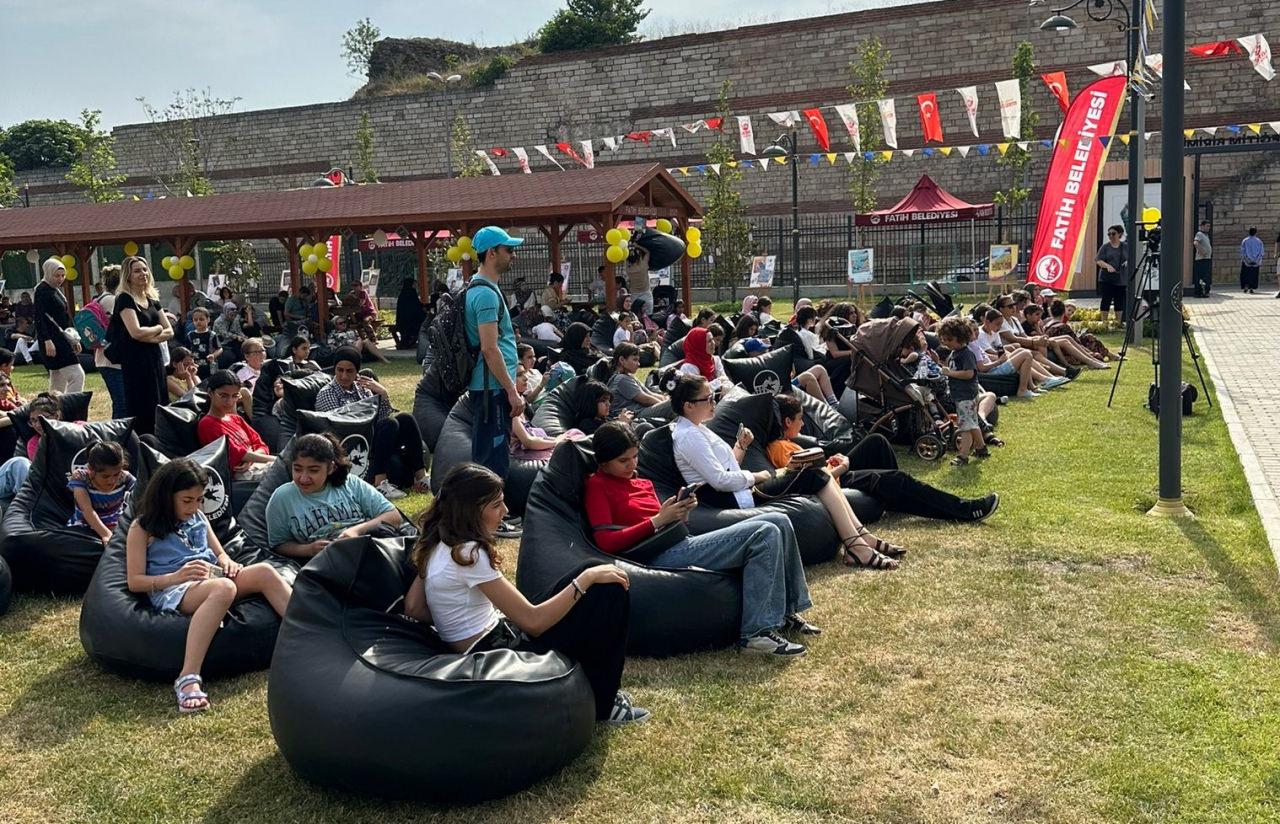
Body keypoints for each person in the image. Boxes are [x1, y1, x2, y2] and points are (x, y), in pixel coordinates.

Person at [404, 463, 647, 724]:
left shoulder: (436, 544)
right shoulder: (469, 554)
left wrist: (454, 619)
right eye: (496, 505)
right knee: (607, 589)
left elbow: (413, 608)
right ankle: (604, 703)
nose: (505, 511)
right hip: (498, 650)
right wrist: (584, 582)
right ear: (471, 511)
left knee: (591, 568)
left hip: (493, 637)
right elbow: (534, 622)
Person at [589, 423, 820, 659]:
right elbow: (605, 541)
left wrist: (681, 512)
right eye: (623, 461)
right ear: (603, 461)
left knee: (780, 519)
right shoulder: (597, 486)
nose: (632, 465)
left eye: (635, 457)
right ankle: (756, 634)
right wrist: (658, 520)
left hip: (679, 541)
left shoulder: (642, 483)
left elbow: (666, 525)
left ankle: (787, 611)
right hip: (653, 556)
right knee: (764, 533)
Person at [670, 374, 900, 569]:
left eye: (713, 396)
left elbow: (726, 468)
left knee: (813, 469)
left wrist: (741, 446)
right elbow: (720, 480)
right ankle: (856, 545)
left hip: (740, 490)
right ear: (689, 405)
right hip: (734, 498)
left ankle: (861, 537)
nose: (713, 402)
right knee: (814, 474)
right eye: (708, 398)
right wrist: (757, 476)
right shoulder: (688, 436)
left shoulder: (697, 429)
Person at [127, 458, 293, 712]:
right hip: (175, 588)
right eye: (187, 500)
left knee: (265, 572)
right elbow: (135, 581)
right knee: (225, 588)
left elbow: (220, 553)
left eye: (199, 499)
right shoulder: (142, 528)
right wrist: (176, 577)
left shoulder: (198, 517)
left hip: (211, 578)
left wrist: (228, 563)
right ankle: (188, 677)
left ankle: (309, 634)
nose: (194, 506)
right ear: (166, 496)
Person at [767, 397, 999, 522]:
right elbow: (807, 480)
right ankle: (966, 510)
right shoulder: (779, 447)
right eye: (800, 419)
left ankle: (896, 496)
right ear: (787, 422)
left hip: (834, 473)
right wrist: (841, 467)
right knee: (897, 479)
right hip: (833, 483)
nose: (803, 423)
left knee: (876, 441)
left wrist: (833, 460)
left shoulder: (788, 442)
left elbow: (812, 469)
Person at [464, 227, 524, 528]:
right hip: (491, 388)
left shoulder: (482, 288)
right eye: (508, 250)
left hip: (489, 386)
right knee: (493, 459)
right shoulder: (485, 294)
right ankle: (490, 520)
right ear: (491, 253)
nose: (512, 255)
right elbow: (489, 349)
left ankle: (486, 516)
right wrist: (511, 390)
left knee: (490, 454)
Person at [265, 432, 404, 559]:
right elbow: (279, 544)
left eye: (313, 470)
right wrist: (308, 550)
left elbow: (393, 516)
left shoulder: (350, 483)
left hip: (368, 548)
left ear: (331, 468)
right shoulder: (282, 499)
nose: (304, 478)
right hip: (327, 562)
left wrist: (357, 531)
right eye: (297, 469)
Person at [315, 347, 429, 499]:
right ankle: (380, 482)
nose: (344, 376)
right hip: (352, 441)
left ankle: (421, 476)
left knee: (405, 419)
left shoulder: (362, 389)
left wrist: (382, 394)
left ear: (357, 372)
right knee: (389, 424)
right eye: (340, 370)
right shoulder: (327, 393)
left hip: (370, 436)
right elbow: (340, 427)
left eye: (349, 371)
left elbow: (382, 417)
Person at [113, 255, 172, 436]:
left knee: (160, 401)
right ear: (128, 276)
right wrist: (157, 329)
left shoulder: (152, 299)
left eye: (145, 270)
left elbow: (170, 330)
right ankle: (143, 442)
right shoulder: (125, 299)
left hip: (155, 358)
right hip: (136, 361)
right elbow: (135, 332)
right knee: (143, 405)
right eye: (137, 271)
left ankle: (160, 439)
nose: (143, 274)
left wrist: (151, 337)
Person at [198, 371, 275, 481]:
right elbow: (236, 454)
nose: (229, 402)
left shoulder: (236, 419)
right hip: (241, 474)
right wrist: (274, 459)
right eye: (223, 396)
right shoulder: (207, 424)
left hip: (258, 464)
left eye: (234, 396)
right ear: (210, 393)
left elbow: (260, 444)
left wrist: (250, 459)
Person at [67, 441, 135, 545]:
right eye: (105, 476)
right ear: (91, 470)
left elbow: (142, 495)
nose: (112, 481)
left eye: (116, 474)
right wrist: (106, 534)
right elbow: (87, 510)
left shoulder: (124, 477)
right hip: (84, 528)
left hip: (116, 525)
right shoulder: (81, 479)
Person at [937, 317, 983, 466]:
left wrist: (949, 373)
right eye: (944, 339)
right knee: (972, 423)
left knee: (965, 427)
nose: (946, 343)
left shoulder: (966, 354)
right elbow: (951, 368)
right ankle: (981, 448)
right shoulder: (954, 352)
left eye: (949, 339)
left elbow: (969, 373)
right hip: (960, 395)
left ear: (961, 337)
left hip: (966, 395)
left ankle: (963, 456)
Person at [35, 257, 84, 393]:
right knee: (77, 375)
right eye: (57, 276)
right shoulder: (42, 290)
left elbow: (65, 316)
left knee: (58, 379)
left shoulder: (55, 290)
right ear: (48, 273)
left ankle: (54, 405)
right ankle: (71, 404)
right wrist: (47, 340)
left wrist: (74, 339)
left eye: (63, 275)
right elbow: (39, 317)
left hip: (61, 337)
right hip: (53, 339)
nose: (60, 279)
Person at [92, 265, 128, 418]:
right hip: (111, 359)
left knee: (120, 402)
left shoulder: (101, 298)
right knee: (121, 403)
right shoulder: (112, 300)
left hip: (105, 356)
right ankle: (118, 430)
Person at [607, 342, 664, 416]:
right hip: (635, 415)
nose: (638, 364)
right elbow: (646, 400)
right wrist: (665, 405)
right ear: (622, 360)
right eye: (635, 360)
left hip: (642, 411)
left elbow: (649, 393)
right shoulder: (621, 379)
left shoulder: (629, 376)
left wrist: (664, 399)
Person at [677, 326, 730, 394]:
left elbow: (725, 379)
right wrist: (720, 381)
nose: (713, 343)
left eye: (712, 339)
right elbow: (699, 392)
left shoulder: (715, 359)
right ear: (699, 344)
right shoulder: (688, 367)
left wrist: (725, 386)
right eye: (709, 341)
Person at [1095, 224, 1129, 324]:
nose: (1111, 236)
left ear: (1120, 234)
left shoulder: (1125, 246)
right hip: (1107, 278)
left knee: (1119, 301)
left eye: (1113, 234)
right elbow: (1098, 260)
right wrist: (1107, 266)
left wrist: (1128, 262)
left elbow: (1131, 257)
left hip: (1121, 278)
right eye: (1109, 234)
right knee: (1106, 300)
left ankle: (1118, 322)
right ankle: (1104, 323)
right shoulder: (1105, 247)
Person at [187, 307, 221, 377]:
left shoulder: (212, 334)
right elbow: (187, 350)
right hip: (195, 365)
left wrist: (213, 355)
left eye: (201, 319)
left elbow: (220, 348)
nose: (198, 322)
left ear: (208, 320)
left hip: (209, 366)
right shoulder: (190, 335)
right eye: (195, 320)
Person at [394, 279, 426, 349]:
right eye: (414, 284)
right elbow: (415, 307)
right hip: (410, 321)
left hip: (403, 320)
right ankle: (409, 342)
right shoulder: (411, 293)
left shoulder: (403, 294)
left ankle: (407, 342)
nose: (416, 286)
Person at [1192, 219, 1213, 298]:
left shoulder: (1206, 235)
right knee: (1200, 276)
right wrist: (1202, 251)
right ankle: (1198, 293)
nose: (1208, 228)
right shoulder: (1199, 234)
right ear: (1202, 226)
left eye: (1209, 226)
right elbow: (1195, 243)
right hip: (1201, 259)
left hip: (1207, 259)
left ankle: (1204, 292)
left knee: (1205, 277)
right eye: (1207, 226)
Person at [1241, 226, 1264, 294]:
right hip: (1256, 262)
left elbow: (1242, 251)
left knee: (1245, 274)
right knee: (1254, 275)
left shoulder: (1245, 240)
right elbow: (1261, 252)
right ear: (1255, 233)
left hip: (1246, 262)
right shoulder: (1259, 241)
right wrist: (1257, 260)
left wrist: (1246, 259)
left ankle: (1246, 286)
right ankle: (1251, 288)